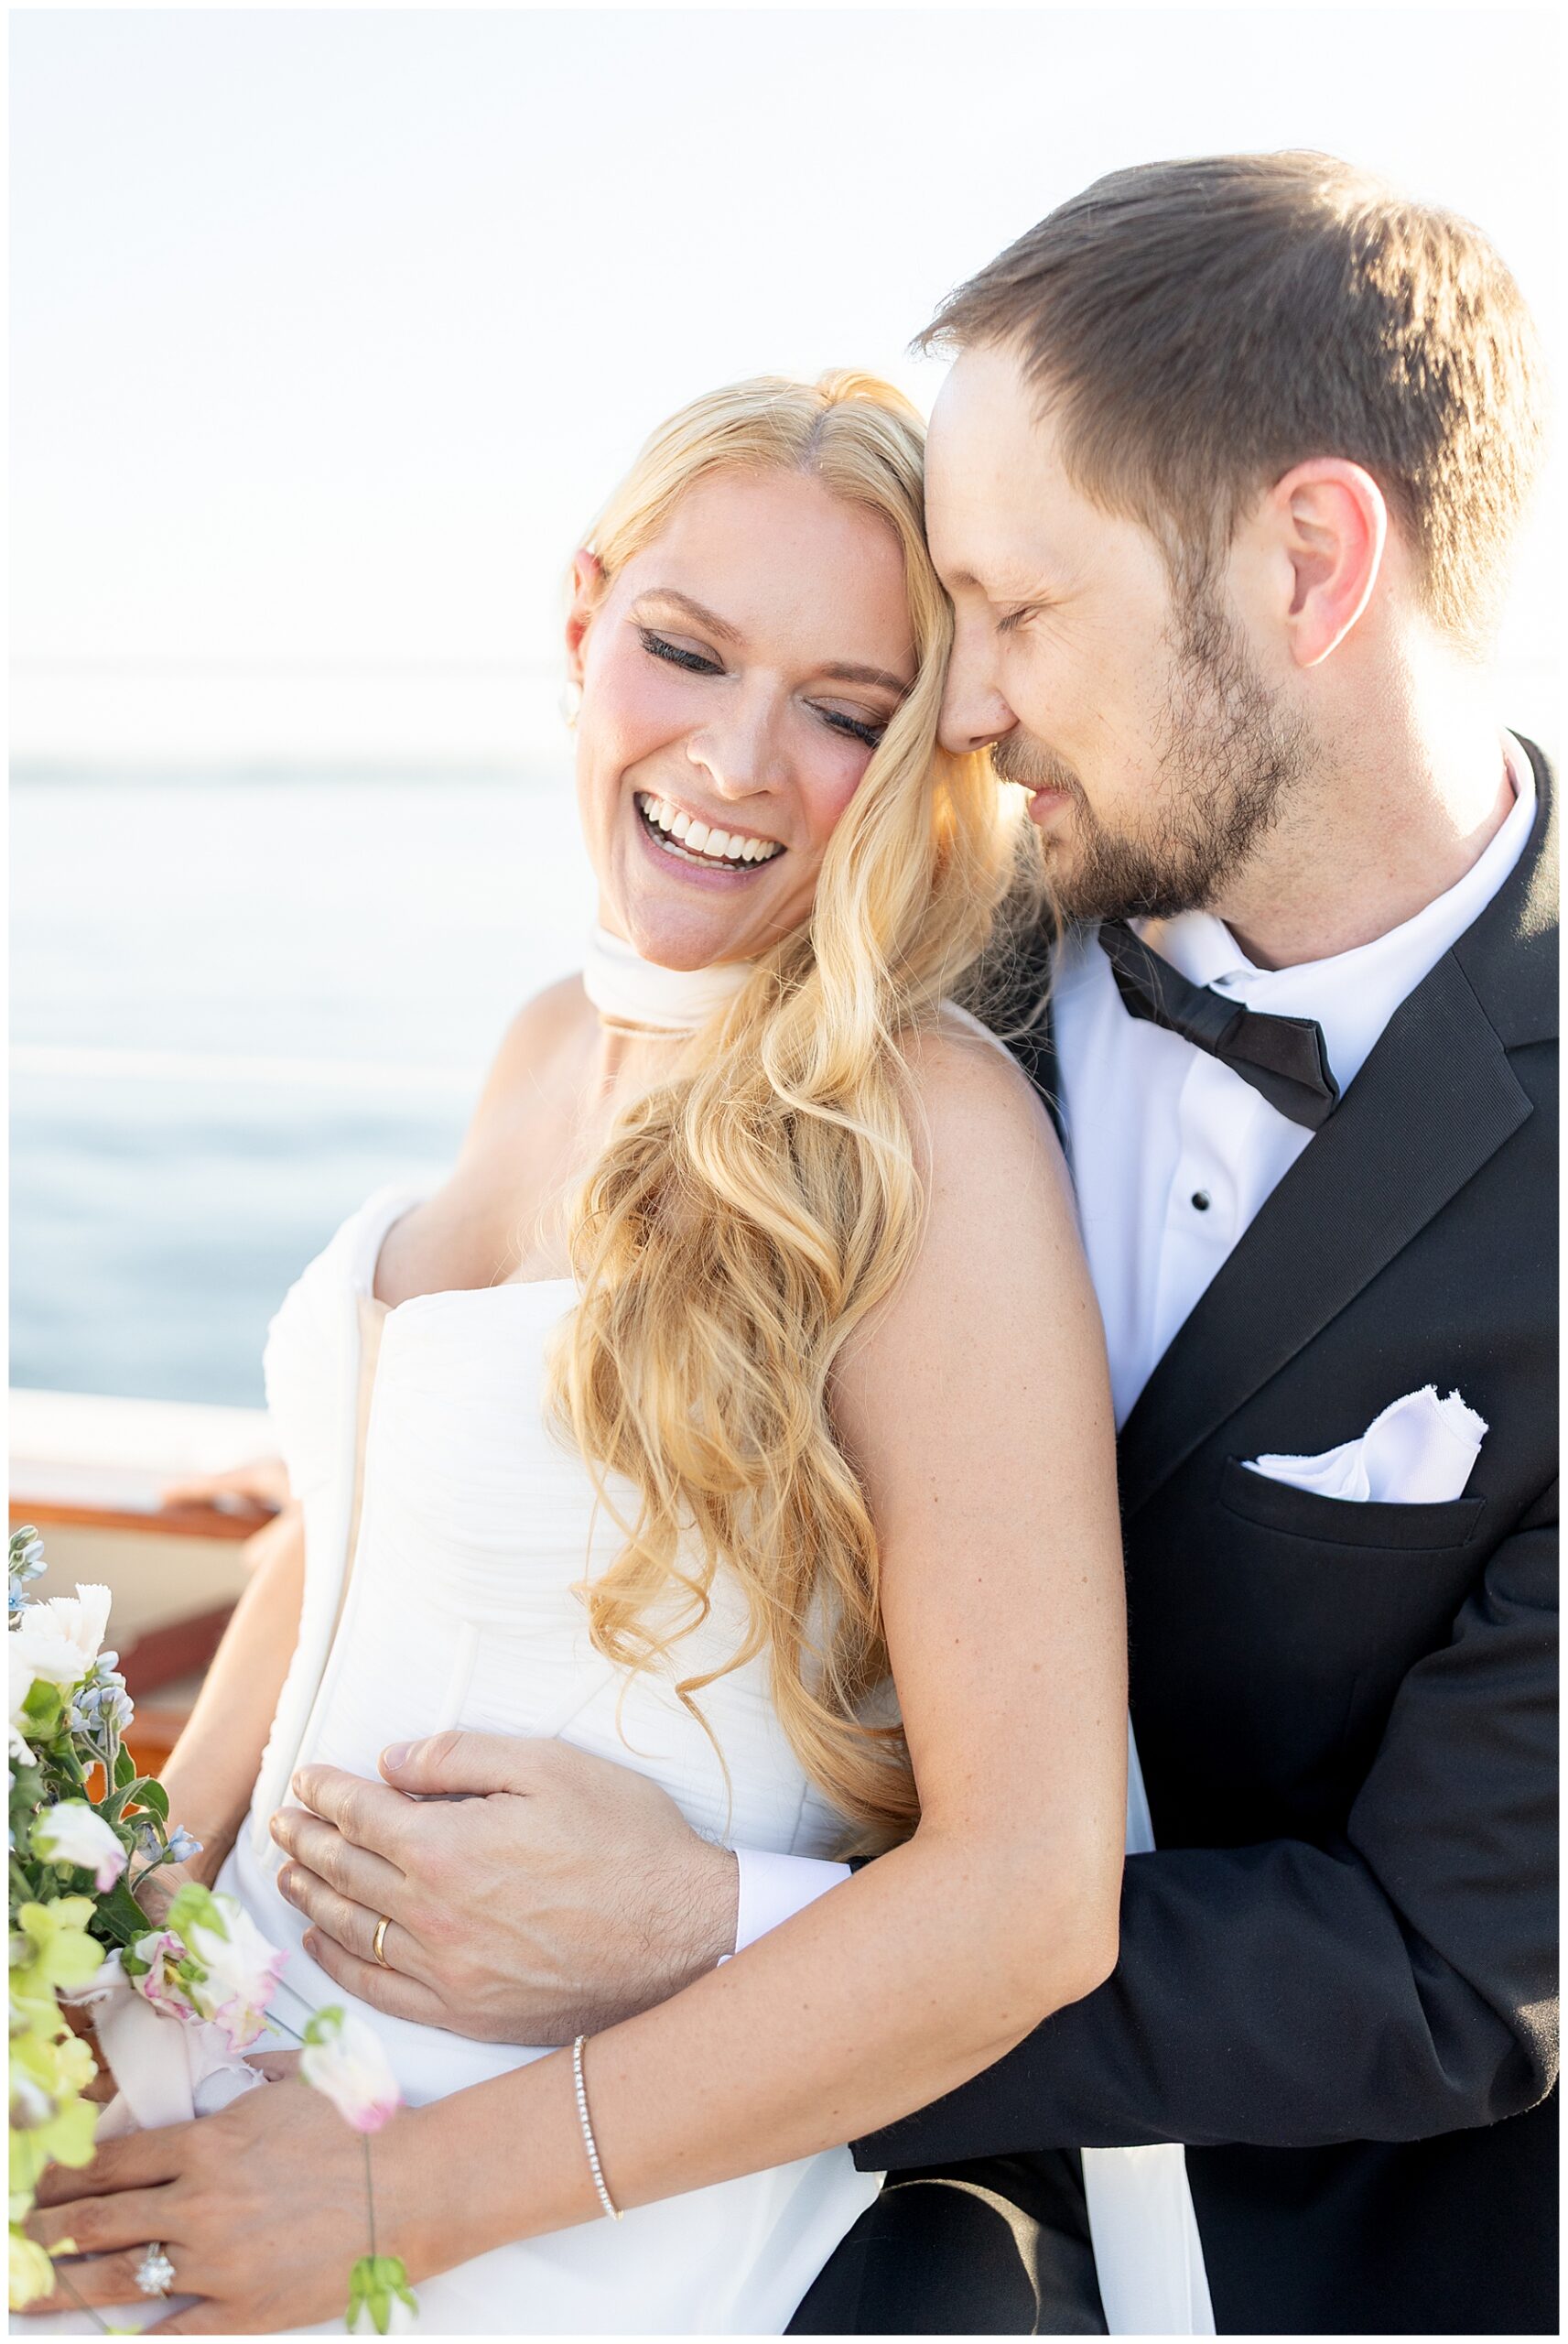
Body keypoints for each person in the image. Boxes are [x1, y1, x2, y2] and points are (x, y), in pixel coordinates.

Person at [228, 155, 1558, 2335]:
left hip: (1273, 2235)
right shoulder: (893, 972)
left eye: (1013, 616)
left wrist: (710, 1924)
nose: (954, 712)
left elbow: (1443, 1973)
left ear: (1310, 563)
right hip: (648, 2106)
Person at [25, 371, 1130, 2334]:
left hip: (524, 2192)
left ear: (923, 758)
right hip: (234, 2065)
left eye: (843, 708)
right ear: (577, 623)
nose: (732, 754)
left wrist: (386, 2203)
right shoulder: (548, 1032)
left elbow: (1027, 1891)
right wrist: (111, 1921)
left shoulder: (920, 1133)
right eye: (684, 649)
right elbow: (352, 1509)